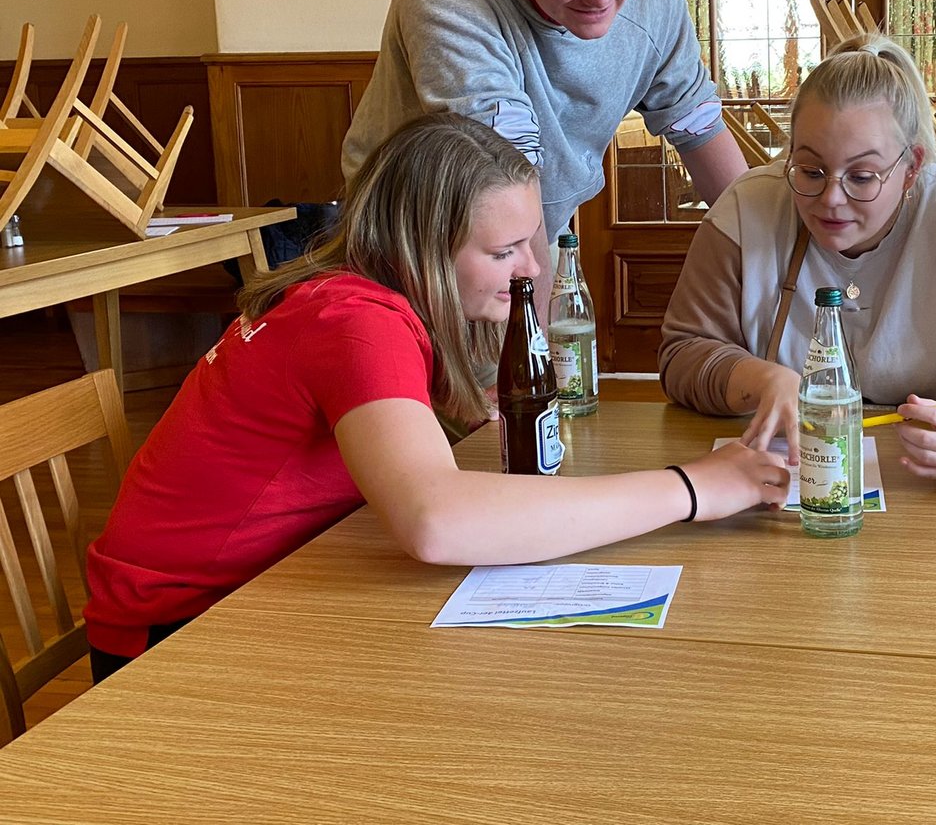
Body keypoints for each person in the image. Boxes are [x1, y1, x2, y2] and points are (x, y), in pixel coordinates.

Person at [85, 114, 788, 682]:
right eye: (504, 251)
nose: (531, 270)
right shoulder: (355, 321)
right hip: (175, 634)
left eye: (531, 243)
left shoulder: (349, 297)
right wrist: (691, 488)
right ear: (423, 249)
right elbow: (436, 521)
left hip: (261, 588)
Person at [340, 0, 748, 284]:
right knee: (513, 330)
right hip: (409, 237)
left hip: (530, 224)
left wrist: (768, 255)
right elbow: (501, 172)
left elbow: (696, 123)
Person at [659, 33, 936, 479]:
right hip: (780, 475)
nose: (831, 199)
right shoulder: (744, 210)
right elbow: (684, 353)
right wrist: (761, 379)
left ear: (911, 167)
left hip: (925, 479)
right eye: (810, 170)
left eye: (862, 176)